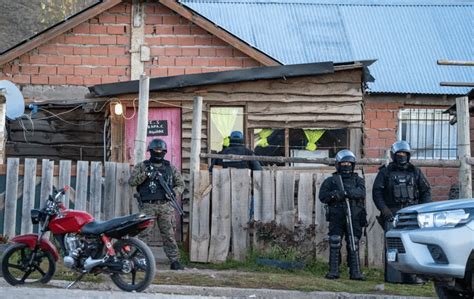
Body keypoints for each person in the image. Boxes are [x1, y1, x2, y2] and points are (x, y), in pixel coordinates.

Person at [372, 140, 431, 283]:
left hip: (412, 213)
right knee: (393, 247)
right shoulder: (385, 172)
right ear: (393, 155)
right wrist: (384, 210)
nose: (402, 156)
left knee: (415, 245)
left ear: (408, 155)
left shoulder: (415, 172)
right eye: (399, 153)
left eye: (404, 153)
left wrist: (422, 211)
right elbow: (377, 193)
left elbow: (426, 192)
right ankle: (394, 277)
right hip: (392, 213)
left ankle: (415, 278)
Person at [129, 138, 185, 270]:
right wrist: (146, 174)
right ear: (151, 151)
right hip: (147, 205)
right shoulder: (142, 166)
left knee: (169, 235)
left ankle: (175, 260)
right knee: (144, 234)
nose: (158, 152)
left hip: (165, 205)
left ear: (164, 151)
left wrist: (173, 192)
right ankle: (140, 260)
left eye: (160, 150)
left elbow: (181, 185)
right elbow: (132, 182)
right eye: (156, 150)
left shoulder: (170, 168)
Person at [319, 149, 367, 280]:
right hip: (337, 217)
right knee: (335, 242)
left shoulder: (358, 180)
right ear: (338, 164)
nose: (346, 166)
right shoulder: (331, 181)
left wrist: (346, 193)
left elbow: (361, 193)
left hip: (355, 216)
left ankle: (355, 272)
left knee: (354, 243)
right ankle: (334, 271)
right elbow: (322, 196)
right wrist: (335, 195)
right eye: (343, 163)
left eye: (349, 164)